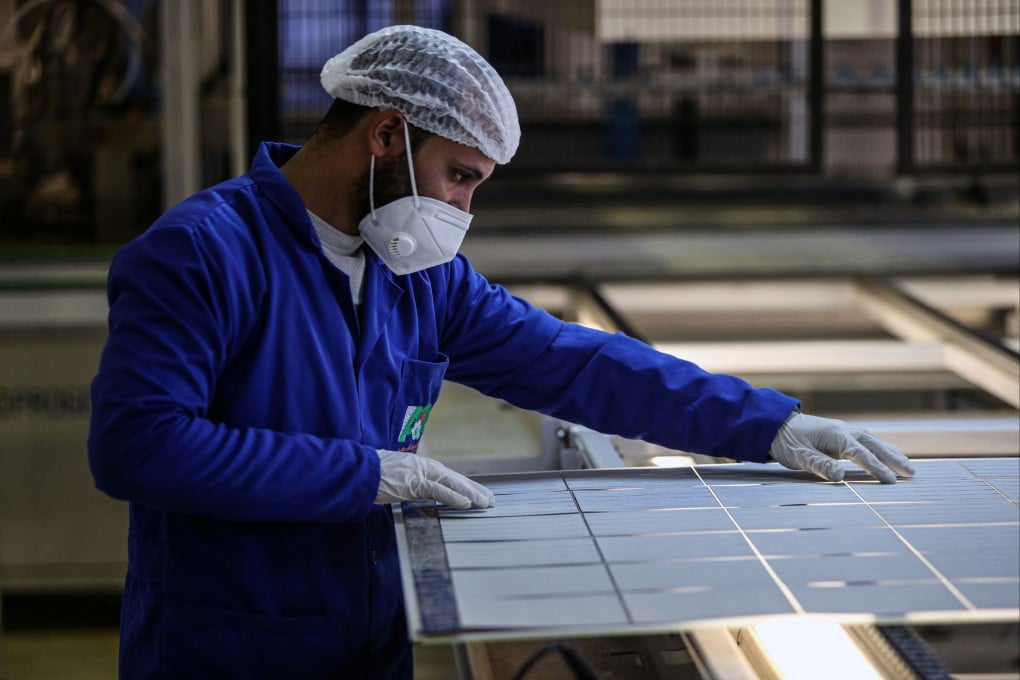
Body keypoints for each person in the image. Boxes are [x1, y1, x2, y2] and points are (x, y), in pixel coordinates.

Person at [87, 24, 915, 679]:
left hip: (371, 636)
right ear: (384, 135)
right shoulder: (202, 253)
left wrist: (766, 425)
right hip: (227, 649)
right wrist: (369, 473)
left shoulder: (418, 277)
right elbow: (139, 446)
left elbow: (571, 361)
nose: (462, 207)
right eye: (459, 176)